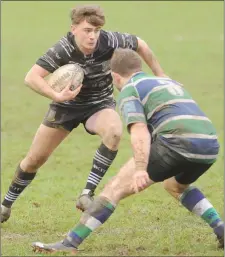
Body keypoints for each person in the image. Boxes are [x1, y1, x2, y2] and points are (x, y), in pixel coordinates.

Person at [32, 48, 224, 254]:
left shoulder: (130, 89)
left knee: (114, 188)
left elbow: (139, 129)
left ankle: (70, 242)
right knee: (175, 185)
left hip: (176, 143)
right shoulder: (165, 81)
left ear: (115, 75)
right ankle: (221, 228)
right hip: (209, 144)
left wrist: (141, 168)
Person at [1, 5, 167, 223]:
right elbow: (31, 77)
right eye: (87, 30)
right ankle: (6, 204)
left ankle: (86, 194)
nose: (93, 36)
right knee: (34, 160)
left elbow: (140, 44)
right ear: (74, 29)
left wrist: (161, 75)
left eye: (96, 31)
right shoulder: (62, 49)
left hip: (99, 104)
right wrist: (56, 95)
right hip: (65, 108)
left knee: (115, 132)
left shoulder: (110, 40)